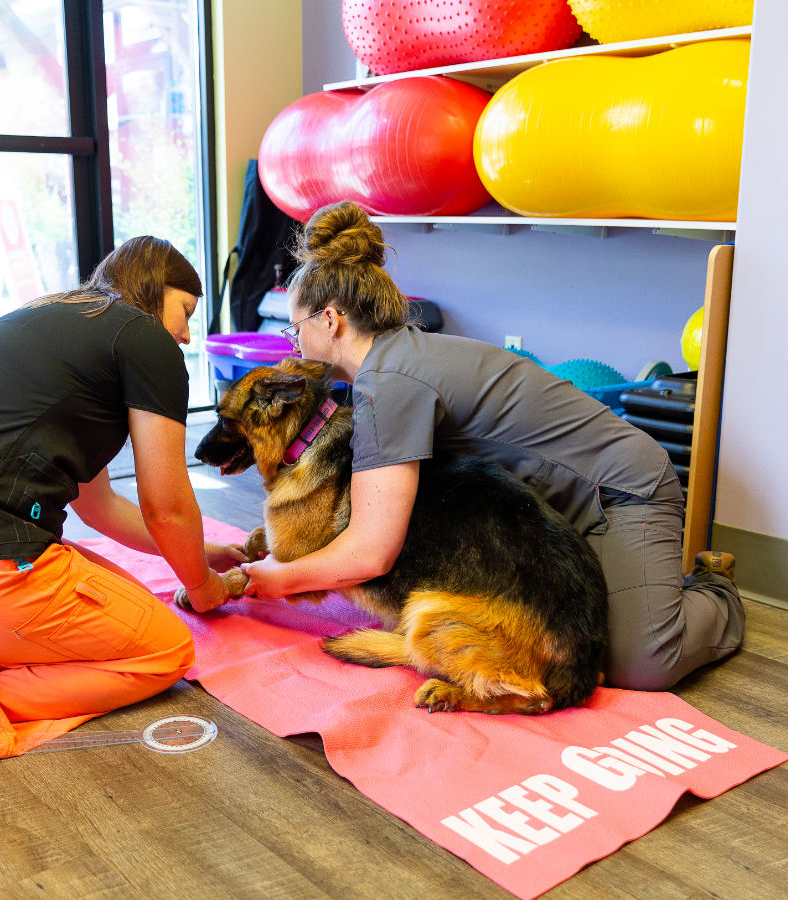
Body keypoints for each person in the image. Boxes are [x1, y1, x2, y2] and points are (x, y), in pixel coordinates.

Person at [240, 201, 745, 692]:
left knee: (638, 664)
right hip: (555, 507)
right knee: (574, 632)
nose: (293, 345)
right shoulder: (393, 361)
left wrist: (282, 579)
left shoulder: (389, 383)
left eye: (295, 329)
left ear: (330, 320)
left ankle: (715, 589)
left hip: (623, 491)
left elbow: (372, 550)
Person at [0, 236, 244, 759]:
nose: (184, 334)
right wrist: (202, 586)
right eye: (185, 312)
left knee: (124, 599)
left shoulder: (45, 323)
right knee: (164, 648)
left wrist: (198, 554)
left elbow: (100, 509)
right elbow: (167, 508)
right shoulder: (144, 336)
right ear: (154, 289)